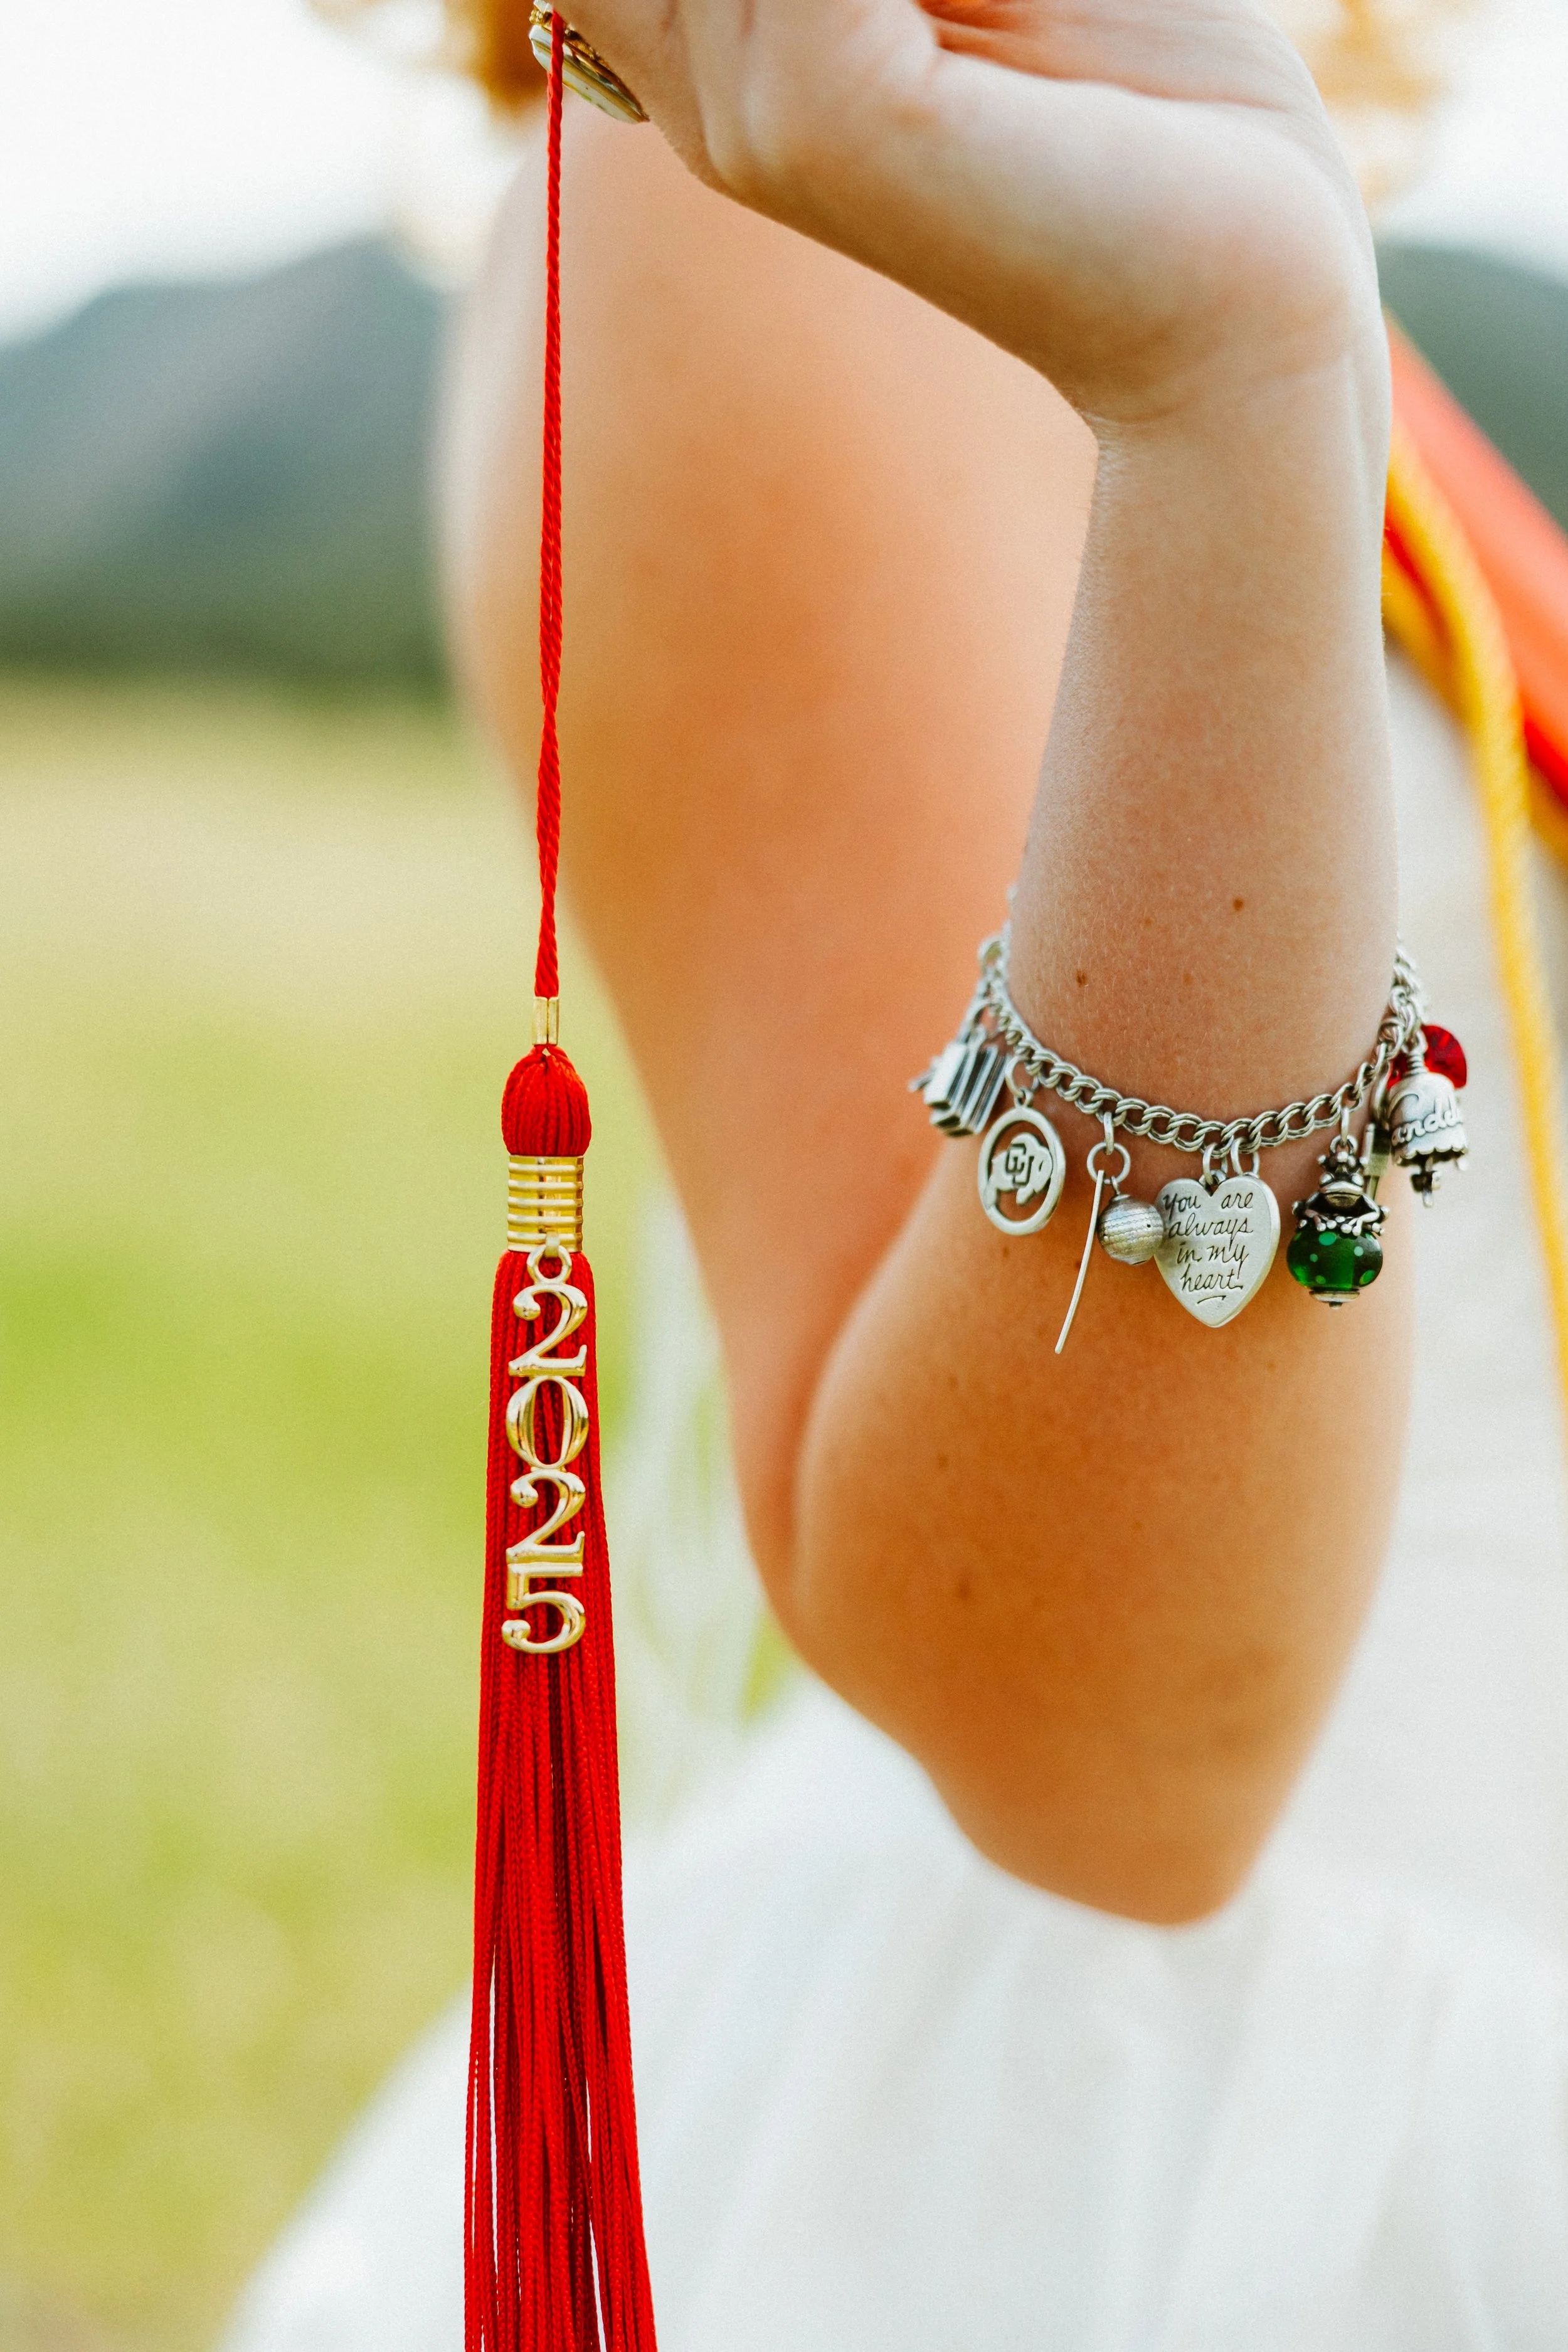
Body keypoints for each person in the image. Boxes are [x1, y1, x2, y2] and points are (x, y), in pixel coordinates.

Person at [224, 0, 1568, 2343]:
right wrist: (1230, 392)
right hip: (1204, 2160)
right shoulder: (760, 214)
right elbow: (1110, 1749)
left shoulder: (1106, 141)